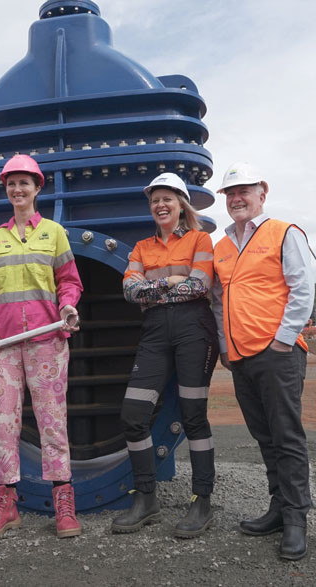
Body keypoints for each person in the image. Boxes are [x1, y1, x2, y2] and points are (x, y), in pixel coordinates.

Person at [0, 154, 83, 540]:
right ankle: (6, 505)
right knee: (5, 424)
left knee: (53, 421)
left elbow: (70, 280)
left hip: (47, 342)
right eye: (11, 184)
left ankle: (63, 503)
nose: (18, 190)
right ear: (6, 189)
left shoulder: (54, 233)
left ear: (38, 188)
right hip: (1, 349)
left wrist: (67, 305)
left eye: (24, 183)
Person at [209, 161, 315, 561]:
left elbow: (302, 289)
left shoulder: (283, 233)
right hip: (240, 358)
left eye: (244, 191)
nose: (237, 199)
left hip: (276, 355)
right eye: (231, 194)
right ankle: (278, 507)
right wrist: (224, 347)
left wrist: (283, 342)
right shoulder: (221, 247)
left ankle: (296, 519)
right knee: (265, 436)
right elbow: (219, 302)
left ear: (262, 193)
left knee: (287, 437)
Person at [111, 173, 219, 538]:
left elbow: (199, 285)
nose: (160, 205)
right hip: (156, 333)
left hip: (194, 331)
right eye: (155, 200)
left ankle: (202, 500)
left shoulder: (200, 239)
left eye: (167, 199)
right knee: (133, 414)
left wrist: (153, 288)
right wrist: (170, 283)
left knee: (193, 416)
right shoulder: (141, 247)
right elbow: (129, 291)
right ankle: (147, 497)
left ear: (181, 205)